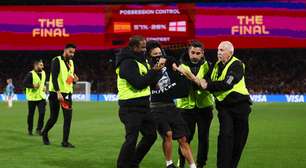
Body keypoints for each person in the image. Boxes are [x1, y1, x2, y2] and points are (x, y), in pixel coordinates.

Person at [199, 41, 252, 168]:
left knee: (238, 142)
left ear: (230, 53)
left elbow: (228, 83)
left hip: (240, 107)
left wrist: (208, 85)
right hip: (224, 108)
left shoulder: (237, 65)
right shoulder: (216, 66)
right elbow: (205, 80)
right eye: (218, 50)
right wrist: (203, 81)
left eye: (222, 50)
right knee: (225, 138)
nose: (219, 52)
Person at [146, 40, 197, 168]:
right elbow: (146, 82)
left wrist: (178, 68)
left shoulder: (169, 61)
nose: (158, 55)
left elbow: (180, 67)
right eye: (155, 54)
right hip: (156, 107)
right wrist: (155, 68)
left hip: (170, 105)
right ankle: (169, 163)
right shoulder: (147, 67)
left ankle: (193, 165)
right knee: (167, 134)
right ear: (149, 55)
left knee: (183, 139)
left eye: (159, 52)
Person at [115, 35, 163, 168]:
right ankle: (123, 165)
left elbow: (148, 80)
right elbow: (138, 83)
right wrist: (154, 70)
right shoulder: (127, 62)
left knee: (151, 135)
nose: (144, 50)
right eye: (142, 47)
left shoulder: (142, 60)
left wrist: (155, 79)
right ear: (134, 47)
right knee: (131, 139)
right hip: (130, 107)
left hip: (143, 106)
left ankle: (133, 163)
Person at [176, 40, 214, 168]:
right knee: (185, 139)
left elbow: (207, 85)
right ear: (188, 52)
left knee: (204, 138)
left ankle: (201, 164)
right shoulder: (180, 65)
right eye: (192, 52)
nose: (195, 56)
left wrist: (190, 77)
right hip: (185, 108)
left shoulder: (209, 65)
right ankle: (181, 163)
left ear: (202, 53)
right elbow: (183, 86)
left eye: (198, 53)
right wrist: (199, 82)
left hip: (205, 107)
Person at [42, 44, 79, 148]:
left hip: (67, 94)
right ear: (65, 50)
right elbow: (53, 77)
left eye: (73, 53)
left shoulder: (71, 63)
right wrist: (58, 92)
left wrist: (74, 80)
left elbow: (68, 79)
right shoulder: (56, 60)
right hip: (56, 94)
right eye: (70, 52)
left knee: (68, 118)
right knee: (54, 118)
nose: (72, 54)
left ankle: (65, 142)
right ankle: (44, 133)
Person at [23, 60, 47, 136]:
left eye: (42, 65)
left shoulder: (43, 73)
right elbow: (24, 83)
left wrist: (44, 87)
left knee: (42, 113)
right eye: (41, 65)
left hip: (41, 97)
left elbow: (43, 82)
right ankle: (30, 129)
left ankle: (39, 129)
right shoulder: (30, 74)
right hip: (32, 98)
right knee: (31, 115)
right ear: (36, 66)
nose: (42, 67)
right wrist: (33, 86)